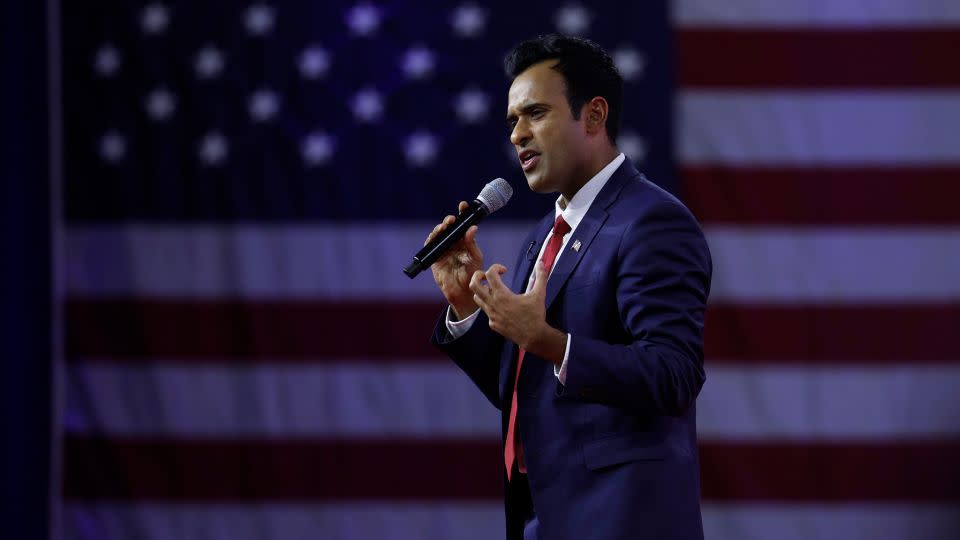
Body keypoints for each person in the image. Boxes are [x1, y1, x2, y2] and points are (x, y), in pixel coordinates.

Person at [426, 34, 712, 540]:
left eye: (534, 113)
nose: (517, 134)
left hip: (620, 521)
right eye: (513, 120)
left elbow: (674, 375)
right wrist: (467, 305)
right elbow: (528, 390)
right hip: (544, 519)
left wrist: (547, 341)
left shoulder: (652, 222)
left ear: (594, 116)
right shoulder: (544, 237)